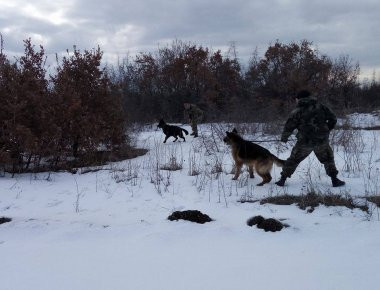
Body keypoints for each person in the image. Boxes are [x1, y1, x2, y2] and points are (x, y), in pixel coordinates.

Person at [275, 90, 345, 187]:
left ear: (299, 99)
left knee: (293, 160)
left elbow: (289, 126)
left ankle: (282, 180)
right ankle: (335, 180)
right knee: (328, 159)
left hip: (304, 142)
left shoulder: (297, 111)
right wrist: (327, 129)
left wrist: (284, 137)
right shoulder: (321, 106)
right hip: (321, 140)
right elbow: (333, 118)